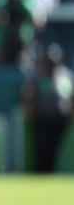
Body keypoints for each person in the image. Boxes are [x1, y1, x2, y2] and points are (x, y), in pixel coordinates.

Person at [22, 43, 74, 173]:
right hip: (42, 119)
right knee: (41, 148)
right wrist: (29, 111)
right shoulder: (39, 75)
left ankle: (49, 172)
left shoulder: (65, 76)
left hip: (59, 120)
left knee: (53, 148)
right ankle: (40, 173)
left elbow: (70, 96)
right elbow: (29, 94)